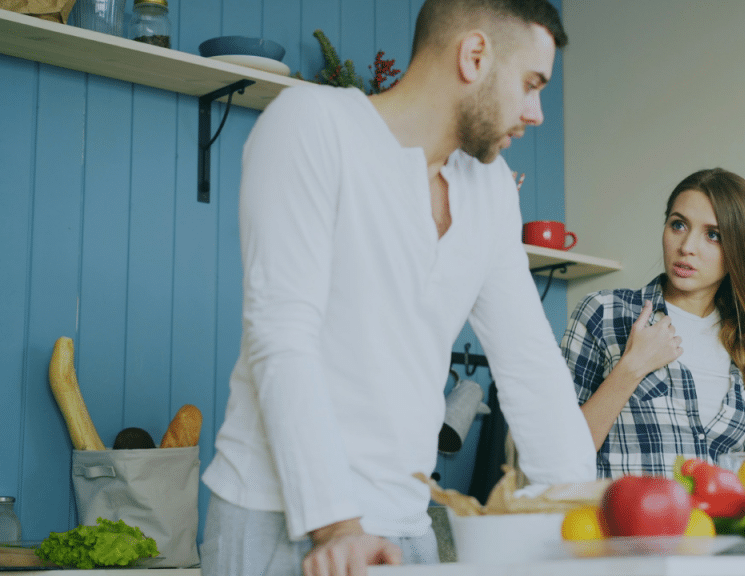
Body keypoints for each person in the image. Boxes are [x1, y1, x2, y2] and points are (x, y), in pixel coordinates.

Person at [199, 1, 596, 575]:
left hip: (406, 528)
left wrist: (585, 516)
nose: (536, 113)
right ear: (475, 55)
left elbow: (530, 365)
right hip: (280, 519)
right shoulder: (313, 123)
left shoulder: (488, 190)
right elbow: (281, 334)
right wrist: (338, 527)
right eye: (531, 85)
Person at [560, 168, 745, 478]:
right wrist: (632, 367)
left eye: (713, 235)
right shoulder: (604, 313)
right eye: (678, 225)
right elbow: (558, 454)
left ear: (739, 250)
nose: (687, 246)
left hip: (719, 526)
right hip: (627, 526)